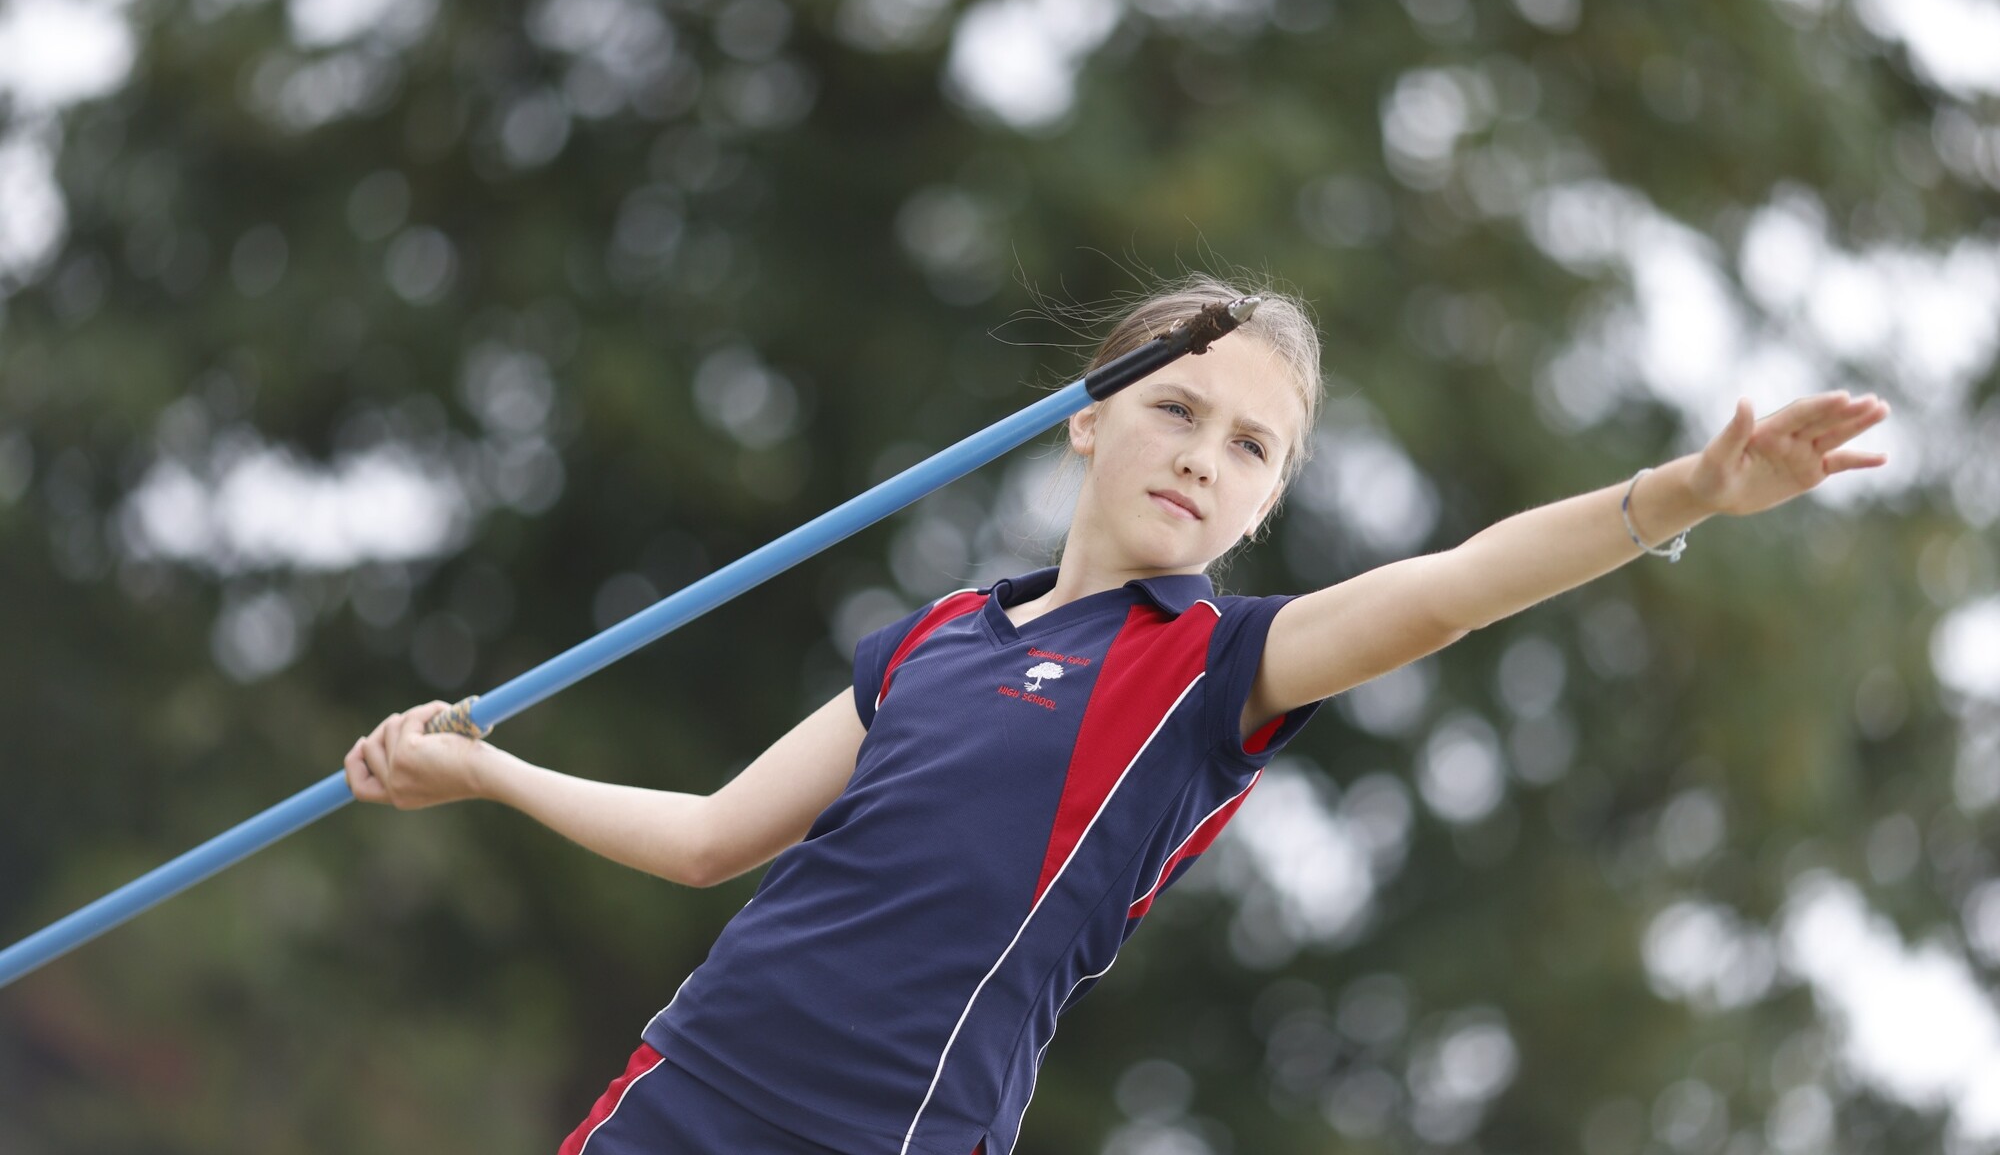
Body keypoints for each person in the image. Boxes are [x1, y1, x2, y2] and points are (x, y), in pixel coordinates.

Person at [341, 273, 1891, 1154]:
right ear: (1088, 421)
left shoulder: (1216, 669)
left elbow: (1453, 587)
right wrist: (487, 772)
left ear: (1272, 496)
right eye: (1176, 407)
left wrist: (1680, 494)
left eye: (1253, 448)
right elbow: (706, 844)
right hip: (679, 1094)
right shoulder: (938, 637)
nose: (1206, 455)